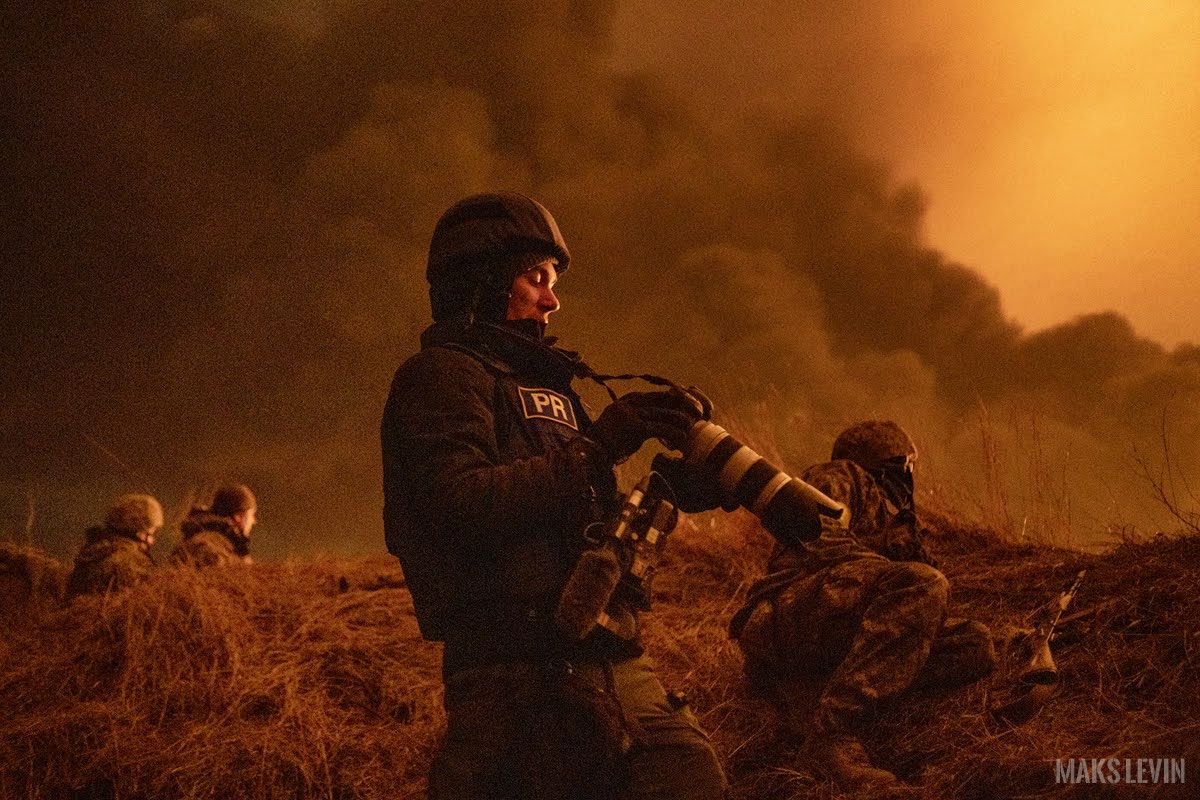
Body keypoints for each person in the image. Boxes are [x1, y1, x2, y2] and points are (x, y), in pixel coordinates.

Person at [382, 191, 727, 800]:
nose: (552, 297)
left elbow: (577, 514)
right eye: (536, 277)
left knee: (689, 776)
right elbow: (453, 505)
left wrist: (670, 486)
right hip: (510, 677)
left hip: (612, 658)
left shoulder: (556, 394)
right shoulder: (440, 376)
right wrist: (601, 449)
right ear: (483, 282)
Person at [729, 420, 997, 792]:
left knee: (976, 643)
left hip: (835, 623)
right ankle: (831, 734)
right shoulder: (841, 476)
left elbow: (916, 612)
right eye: (903, 467)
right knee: (922, 583)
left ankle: (818, 692)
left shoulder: (897, 519)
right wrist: (886, 552)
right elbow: (814, 533)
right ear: (889, 465)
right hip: (788, 614)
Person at [65, 493, 162, 599]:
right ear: (137, 531)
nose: (152, 541)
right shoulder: (133, 561)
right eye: (150, 534)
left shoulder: (92, 553)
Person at [172, 484, 257, 568]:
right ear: (238, 516)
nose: (254, 521)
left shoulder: (213, 542)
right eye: (251, 515)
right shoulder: (213, 550)